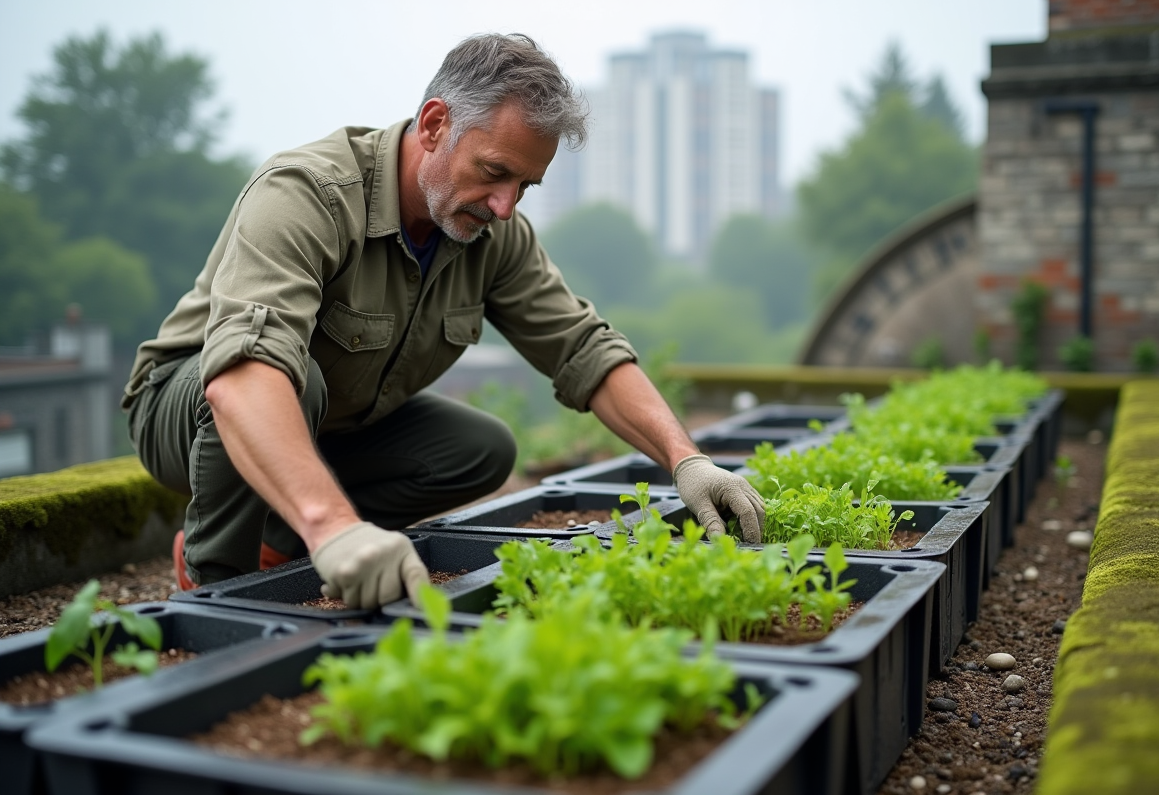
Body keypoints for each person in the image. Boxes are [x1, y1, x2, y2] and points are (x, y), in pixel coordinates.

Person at [123, 33, 764, 609]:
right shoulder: (307, 194)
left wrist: (685, 461)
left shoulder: (489, 233)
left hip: (337, 420)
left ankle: (279, 539)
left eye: (526, 185)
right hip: (189, 403)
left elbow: (582, 347)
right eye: (494, 172)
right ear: (434, 124)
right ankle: (213, 584)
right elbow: (241, 376)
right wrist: (335, 527)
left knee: (477, 450)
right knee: (294, 381)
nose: (506, 205)